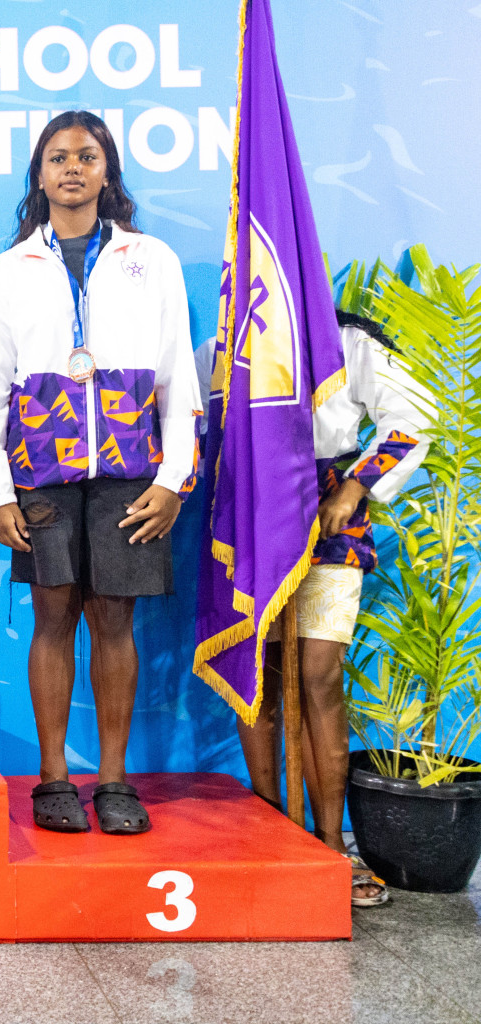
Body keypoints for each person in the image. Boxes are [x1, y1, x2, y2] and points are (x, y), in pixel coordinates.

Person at [0, 111, 201, 835]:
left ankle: (116, 779)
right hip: (43, 475)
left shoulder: (149, 260)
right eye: (58, 157)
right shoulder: (7, 272)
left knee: (114, 622)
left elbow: (177, 381)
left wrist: (172, 479)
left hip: (131, 473)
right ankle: (54, 777)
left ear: (107, 171)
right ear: (39, 173)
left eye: (87, 156)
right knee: (54, 617)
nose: (72, 167)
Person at [237, 310, 429, 907]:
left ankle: (329, 846)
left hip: (333, 512)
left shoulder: (348, 341)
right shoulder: (229, 344)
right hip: (251, 515)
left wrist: (355, 486)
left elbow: (413, 416)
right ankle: (272, 832)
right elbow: (198, 421)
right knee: (259, 678)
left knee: (318, 673)